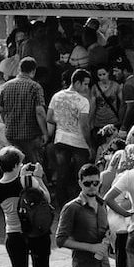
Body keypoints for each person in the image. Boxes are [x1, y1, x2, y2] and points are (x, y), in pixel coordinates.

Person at [0, 147, 52, 267]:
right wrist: (38, 177)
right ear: (15, 165)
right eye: (20, 163)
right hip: (36, 233)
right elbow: (47, 199)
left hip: (13, 234)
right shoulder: (27, 181)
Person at [56, 164, 112, 267]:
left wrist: (110, 237)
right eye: (87, 183)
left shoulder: (102, 204)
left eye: (96, 183)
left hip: (103, 266)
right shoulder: (72, 208)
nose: (92, 186)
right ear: (80, 183)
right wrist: (91, 247)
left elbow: (107, 230)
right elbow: (60, 240)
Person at [49, 68, 94, 206]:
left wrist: (62, 122)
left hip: (60, 139)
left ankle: (62, 203)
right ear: (77, 82)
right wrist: (90, 146)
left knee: (62, 172)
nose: (86, 88)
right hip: (79, 142)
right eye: (85, 84)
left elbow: (49, 117)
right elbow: (85, 126)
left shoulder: (57, 96)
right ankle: (80, 202)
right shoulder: (83, 101)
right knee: (81, 174)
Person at [0, 56, 48, 162]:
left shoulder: (5, 86)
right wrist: (45, 133)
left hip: (11, 134)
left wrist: (8, 124)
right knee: (35, 164)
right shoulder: (35, 87)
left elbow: (1, 110)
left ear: (19, 69)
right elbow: (39, 112)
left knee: (17, 164)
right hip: (30, 134)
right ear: (33, 71)